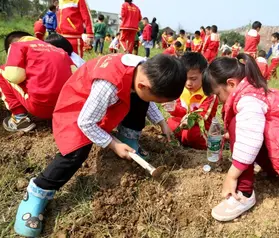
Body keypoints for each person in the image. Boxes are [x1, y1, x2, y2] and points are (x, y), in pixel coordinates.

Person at [13, 54, 187, 237]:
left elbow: (147, 98)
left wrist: (161, 122)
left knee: (139, 99)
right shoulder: (109, 85)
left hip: (105, 101)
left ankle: (129, 139)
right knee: (76, 152)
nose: (156, 104)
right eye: (158, 101)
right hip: (77, 107)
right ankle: (37, 193)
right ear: (144, 86)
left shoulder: (145, 70)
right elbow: (86, 123)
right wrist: (113, 144)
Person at [202, 53, 279, 222]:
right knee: (239, 127)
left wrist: (232, 176)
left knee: (238, 125)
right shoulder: (253, 90)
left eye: (218, 94)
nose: (219, 101)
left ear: (230, 84)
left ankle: (244, 194)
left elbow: (250, 141)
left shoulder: (248, 102)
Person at [0, 31, 73, 132]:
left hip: (41, 107)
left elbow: (14, 77)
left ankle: (19, 118)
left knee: (2, 71)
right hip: (65, 107)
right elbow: (76, 76)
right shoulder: (59, 50)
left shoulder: (17, 46)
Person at [165, 52, 218, 150]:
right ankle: (184, 139)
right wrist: (173, 108)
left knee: (191, 133)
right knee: (170, 123)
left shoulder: (209, 94)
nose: (188, 83)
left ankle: (209, 143)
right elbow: (181, 112)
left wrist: (188, 120)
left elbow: (202, 116)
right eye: (185, 78)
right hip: (184, 123)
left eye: (193, 79)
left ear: (204, 74)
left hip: (202, 128)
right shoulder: (182, 89)